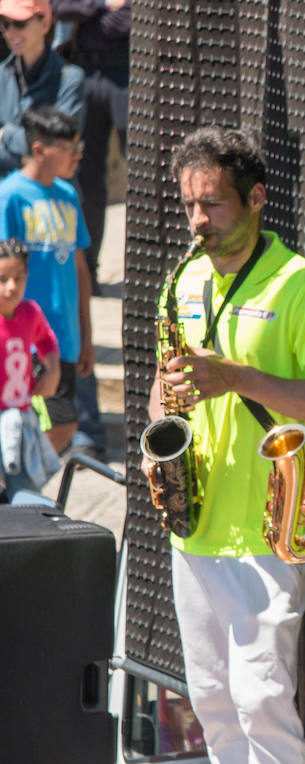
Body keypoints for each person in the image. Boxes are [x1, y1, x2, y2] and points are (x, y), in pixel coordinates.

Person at [145, 126, 305, 764]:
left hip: (270, 524)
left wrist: (233, 377)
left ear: (257, 199)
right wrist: (159, 432)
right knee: (215, 702)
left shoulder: (304, 287)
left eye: (213, 204)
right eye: (189, 204)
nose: (197, 220)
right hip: (196, 522)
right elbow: (170, 385)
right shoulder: (182, 280)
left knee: (264, 700)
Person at [0, 104, 89, 453]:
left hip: (64, 336)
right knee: (41, 421)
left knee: (59, 423)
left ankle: (18, 488)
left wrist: (87, 334)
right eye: (69, 149)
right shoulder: (10, 196)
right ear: (39, 149)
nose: (78, 157)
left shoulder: (68, 195)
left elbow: (80, 269)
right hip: (24, 336)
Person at [52, 0, 126, 287]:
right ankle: (88, 271)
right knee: (84, 173)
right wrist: (104, 5)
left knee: (142, 172)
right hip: (83, 69)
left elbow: (128, 20)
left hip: (126, 71)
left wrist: (91, 15)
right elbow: (62, 7)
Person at [0, 237, 60, 496]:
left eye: (19, 278)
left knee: (25, 495)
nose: (11, 287)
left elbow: (46, 339)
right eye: (2, 279)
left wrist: (52, 370)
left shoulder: (30, 312)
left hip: (21, 421)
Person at [0, 0, 83, 175]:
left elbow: (59, 143)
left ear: (45, 23)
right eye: (5, 25)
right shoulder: (2, 75)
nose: (10, 33)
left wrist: (6, 134)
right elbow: (44, 146)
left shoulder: (69, 77)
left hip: (49, 192)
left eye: (20, 24)